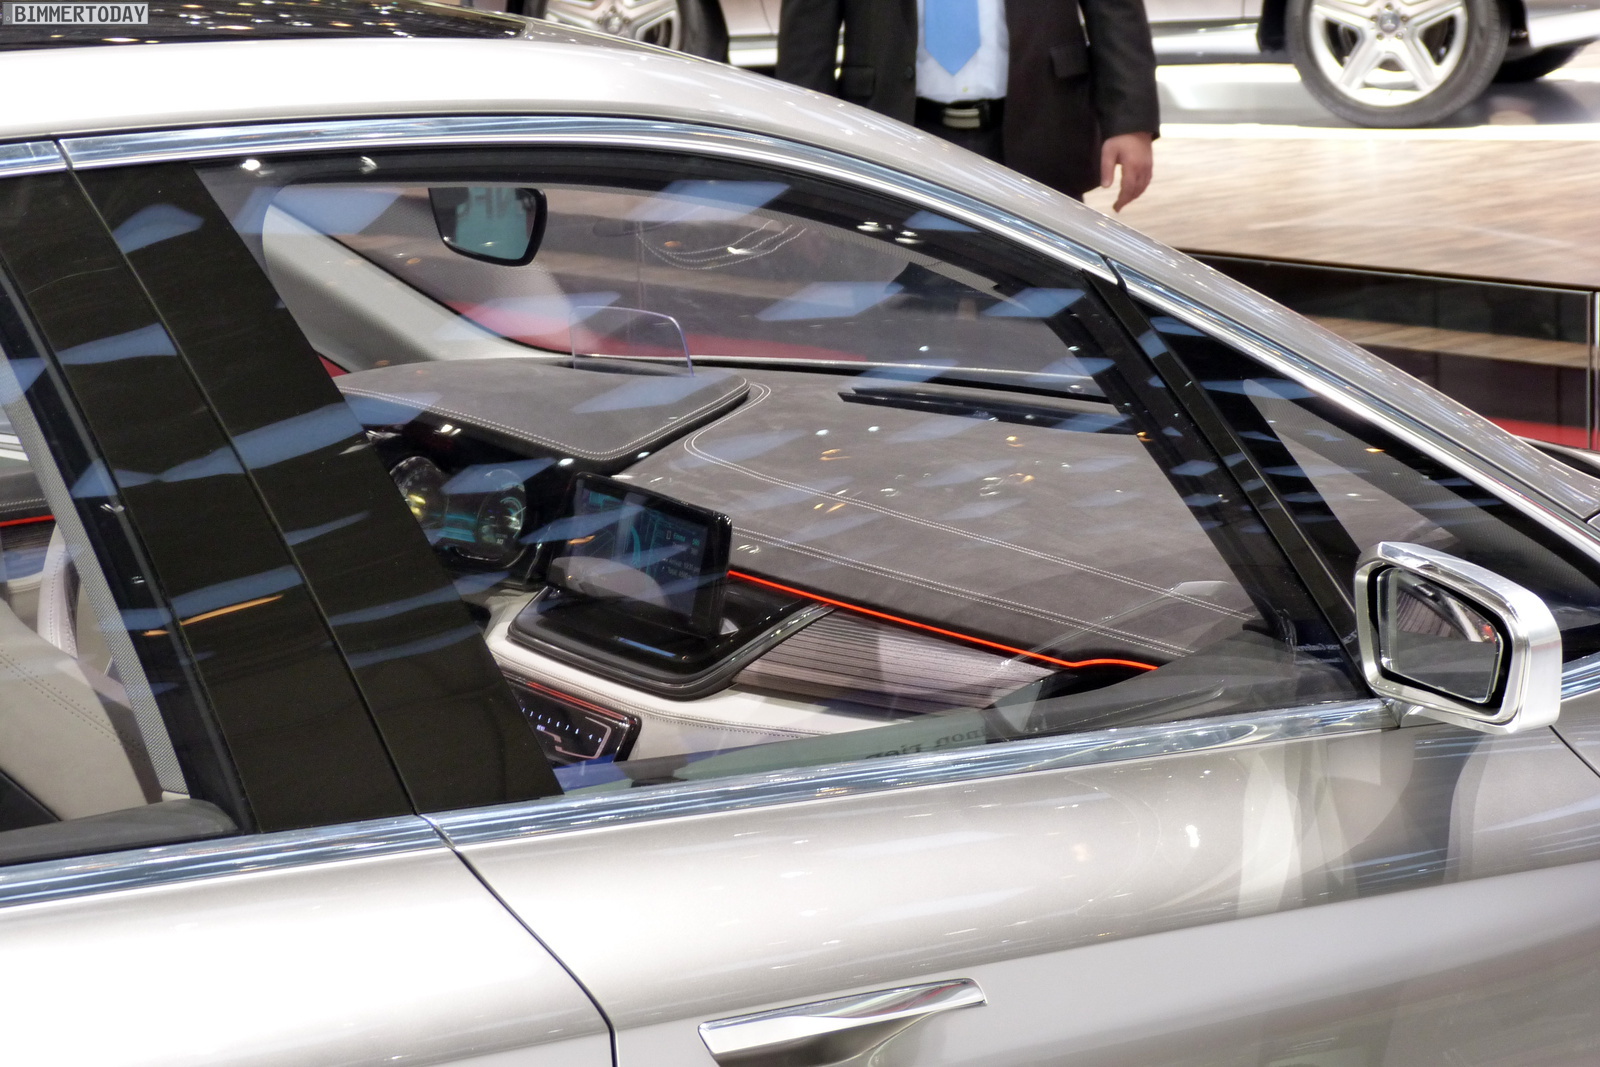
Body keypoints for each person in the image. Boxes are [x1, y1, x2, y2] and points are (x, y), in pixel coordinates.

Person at [775, 0, 1159, 210]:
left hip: (1040, 124)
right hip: (894, 133)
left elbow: (1116, 9)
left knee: (1050, 302)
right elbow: (807, 35)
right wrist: (803, 146)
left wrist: (1131, 120)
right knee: (907, 301)